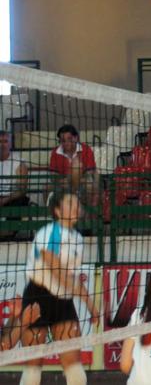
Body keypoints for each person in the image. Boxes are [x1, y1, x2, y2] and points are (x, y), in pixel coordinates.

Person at [19, 190, 99, 385]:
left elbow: (70, 276)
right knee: (33, 369)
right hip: (37, 298)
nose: (76, 207)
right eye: (70, 203)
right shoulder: (47, 233)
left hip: (63, 300)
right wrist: (86, 299)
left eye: (78, 203)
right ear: (57, 210)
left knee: (75, 369)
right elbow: (57, 272)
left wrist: (92, 307)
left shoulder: (78, 238)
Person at [49, 124, 99, 205]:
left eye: (69, 139)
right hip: (62, 184)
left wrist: (72, 181)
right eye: (63, 140)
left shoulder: (86, 150)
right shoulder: (55, 152)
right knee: (46, 188)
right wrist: (60, 181)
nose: (66, 143)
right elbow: (53, 176)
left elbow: (89, 175)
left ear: (76, 138)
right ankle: (53, 212)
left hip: (82, 184)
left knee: (90, 186)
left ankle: (88, 211)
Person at [0, 130, 29, 239]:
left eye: (5, 141)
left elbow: (22, 190)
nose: (2, 145)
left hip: (13, 198)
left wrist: (5, 199)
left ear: (10, 144)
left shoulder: (19, 162)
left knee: (19, 202)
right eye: (0, 142)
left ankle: (9, 232)